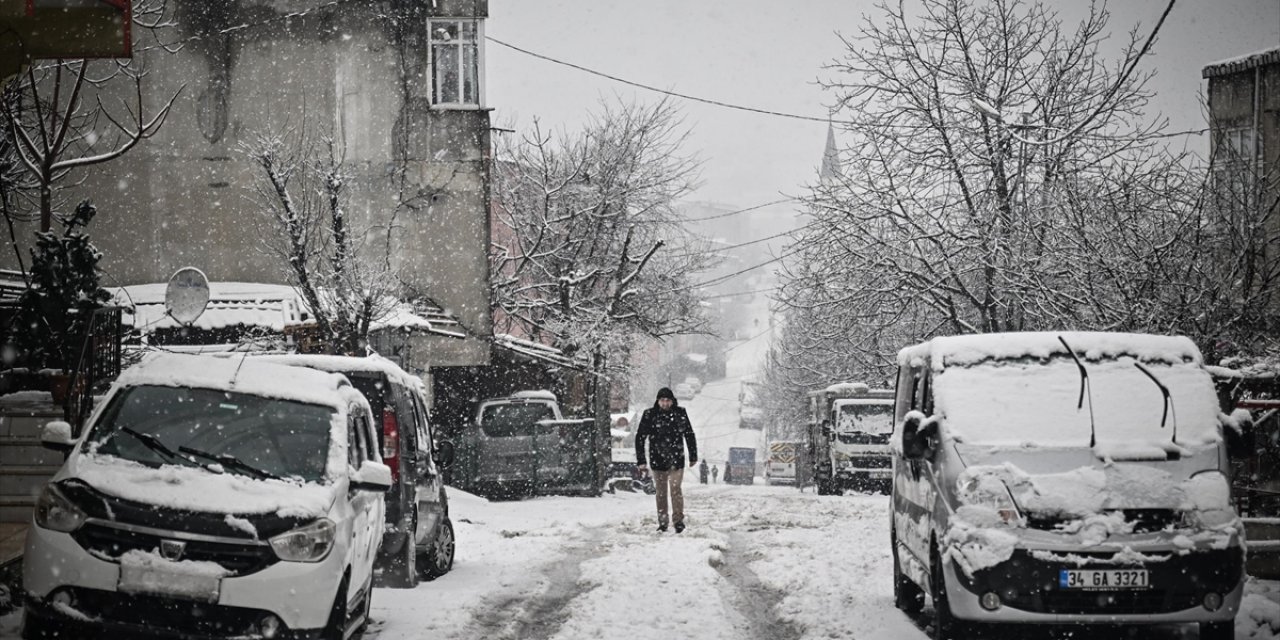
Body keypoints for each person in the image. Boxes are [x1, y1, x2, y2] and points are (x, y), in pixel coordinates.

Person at [635, 387, 698, 533]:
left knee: (675, 490)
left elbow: (689, 434)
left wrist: (693, 455)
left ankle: (678, 520)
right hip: (657, 460)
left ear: (672, 401)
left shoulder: (679, 413)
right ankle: (663, 521)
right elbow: (640, 437)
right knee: (661, 492)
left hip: (676, 459)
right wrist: (641, 460)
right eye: (662, 400)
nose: (665, 403)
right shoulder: (650, 415)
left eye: (667, 400)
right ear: (658, 401)